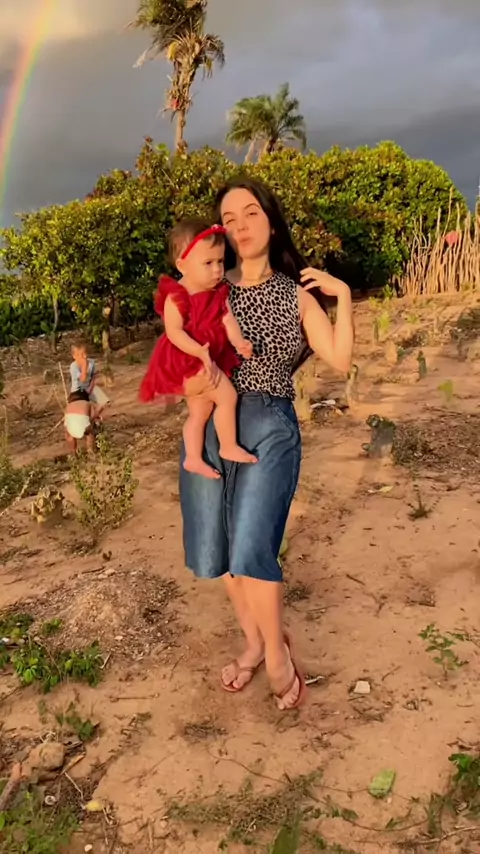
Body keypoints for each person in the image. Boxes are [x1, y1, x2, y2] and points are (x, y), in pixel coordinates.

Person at [179, 178, 354, 710]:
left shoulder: (295, 295)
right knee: (217, 552)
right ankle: (253, 642)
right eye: (229, 219)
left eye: (250, 212)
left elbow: (339, 360)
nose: (240, 226)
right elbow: (178, 351)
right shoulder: (210, 290)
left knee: (252, 547)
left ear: (271, 222)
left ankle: (277, 653)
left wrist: (343, 296)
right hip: (213, 423)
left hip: (269, 424)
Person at [140, 218, 257, 479]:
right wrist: (199, 352)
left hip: (205, 357)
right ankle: (228, 446)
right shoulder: (177, 295)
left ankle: (192, 458)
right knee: (227, 397)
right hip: (188, 360)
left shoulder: (217, 292)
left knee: (200, 411)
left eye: (220, 261)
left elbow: (227, 319)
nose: (217, 270)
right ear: (182, 265)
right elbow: (174, 331)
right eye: (208, 263)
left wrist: (238, 341)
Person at [70, 339, 110, 413]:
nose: (83, 357)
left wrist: (91, 386)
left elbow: (93, 376)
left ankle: (94, 416)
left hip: (90, 386)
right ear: (74, 356)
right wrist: (84, 366)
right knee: (83, 408)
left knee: (105, 403)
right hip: (78, 390)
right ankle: (90, 415)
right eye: (79, 355)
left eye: (84, 353)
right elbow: (82, 379)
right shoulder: (73, 366)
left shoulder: (91, 362)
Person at [64, 389, 95, 453]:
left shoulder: (68, 406)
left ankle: (73, 452)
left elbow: (66, 423)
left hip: (71, 428)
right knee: (90, 433)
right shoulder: (88, 403)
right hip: (84, 427)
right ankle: (90, 451)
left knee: (69, 435)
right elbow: (93, 416)